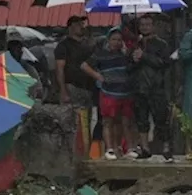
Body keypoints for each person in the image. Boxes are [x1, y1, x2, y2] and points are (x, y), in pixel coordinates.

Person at [81, 29, 136, 160]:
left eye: (119, 40)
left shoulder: (125, 55)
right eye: (114, 39)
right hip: (108, 93)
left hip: (125, 93)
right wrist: (97, 76)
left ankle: (127, 148)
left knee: (124, 121)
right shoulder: (100, 55)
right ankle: (109, 149)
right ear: (108, 41)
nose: (116, 42)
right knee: (108, 121)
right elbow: (84, 66)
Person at [129, 14, 173, 161]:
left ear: (153, 26)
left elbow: (164, 63)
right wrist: (133, 59)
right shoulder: (135, 44)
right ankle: (145, 148)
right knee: (141, 120)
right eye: (142, 25)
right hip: (138, 87)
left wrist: (145, 56)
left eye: (147, 24)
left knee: (161, 119)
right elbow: (128, 67)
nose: (145, 27)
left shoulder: (161, 44)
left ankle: (166, 148)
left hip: (156, 87)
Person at [54, 15, 95, 108]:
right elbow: (59, 69)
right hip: (72, 87)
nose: (81, 27)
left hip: (88, 87)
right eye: (77, 24)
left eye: (82, 24)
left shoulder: (87, 45)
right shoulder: (63, 46)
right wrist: (63, 90)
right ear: (70, 27)